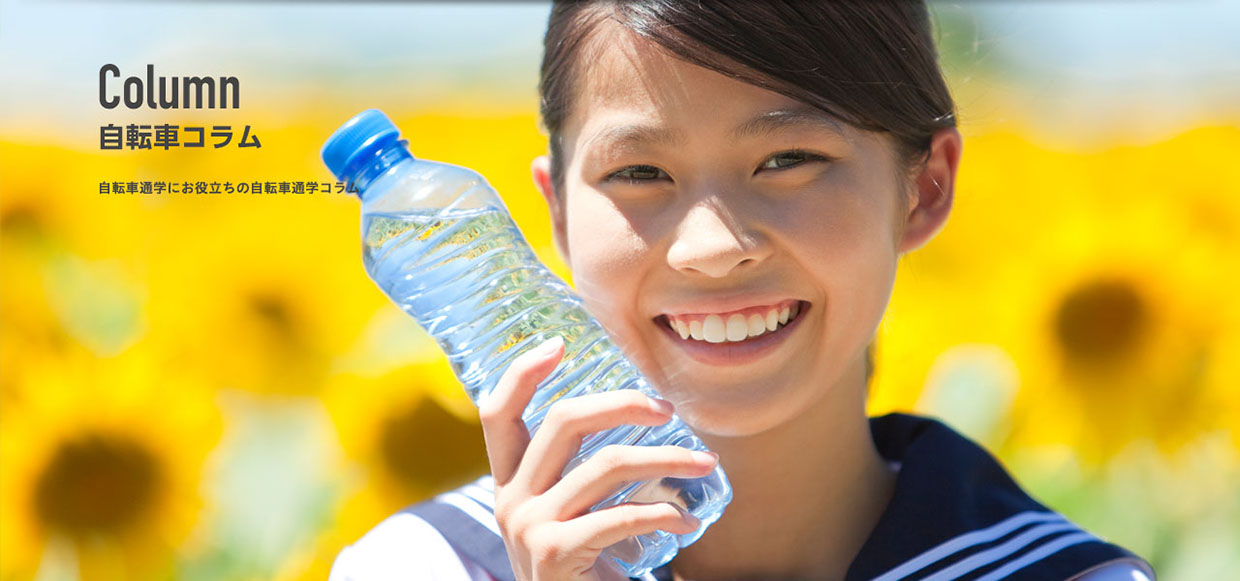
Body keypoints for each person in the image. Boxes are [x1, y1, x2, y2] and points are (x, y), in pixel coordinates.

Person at [330, 1, 1156, 579]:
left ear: (925, 187)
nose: (714, 247)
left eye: (788, 160)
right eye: (640, 172)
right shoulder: (425, 564)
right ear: (554, 214)